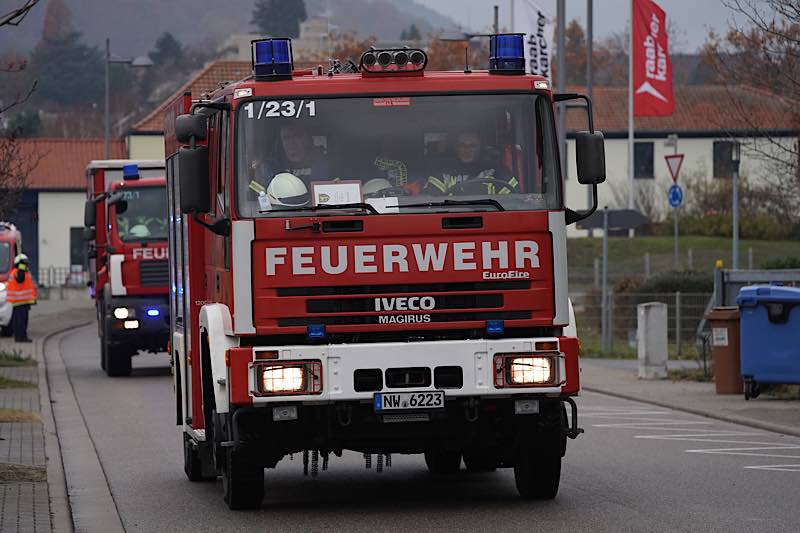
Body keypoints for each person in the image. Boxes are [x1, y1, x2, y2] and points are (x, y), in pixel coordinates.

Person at [424, 130, 517, 195]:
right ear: (456, 148)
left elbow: (514, 200)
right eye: (462, 145)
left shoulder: (497, 171)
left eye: (472, 146)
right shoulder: (442, 172)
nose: (467, 150)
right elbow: (432, 202)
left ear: (481, 148)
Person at [6, 254, 37, 343]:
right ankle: (21, 338)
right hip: (20, 302)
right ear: (20, 264)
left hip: (20, 302)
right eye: (24, 263)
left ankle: (20, 337)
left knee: (20, 321)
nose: (26, 265)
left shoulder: (17, 271)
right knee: (20, 322)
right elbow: (20, 279)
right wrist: (22, 268)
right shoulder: (19, 271)